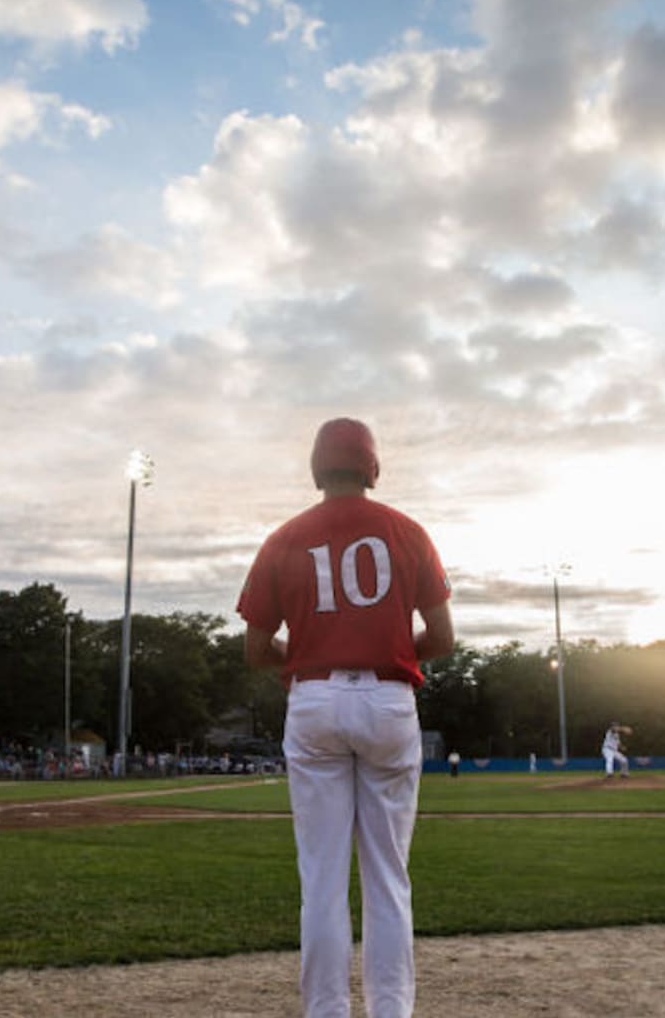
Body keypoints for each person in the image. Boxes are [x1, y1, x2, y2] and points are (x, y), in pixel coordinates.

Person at [239, 417, 454, 1018]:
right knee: (388, 877)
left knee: (323, 881)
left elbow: (255, 650)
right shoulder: (407, 532)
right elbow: (442, 637)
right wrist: (390, 652)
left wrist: (307, 654)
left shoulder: (284, 537)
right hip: (388, 699)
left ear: (316, 469)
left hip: (313, 699)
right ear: (373, 468)